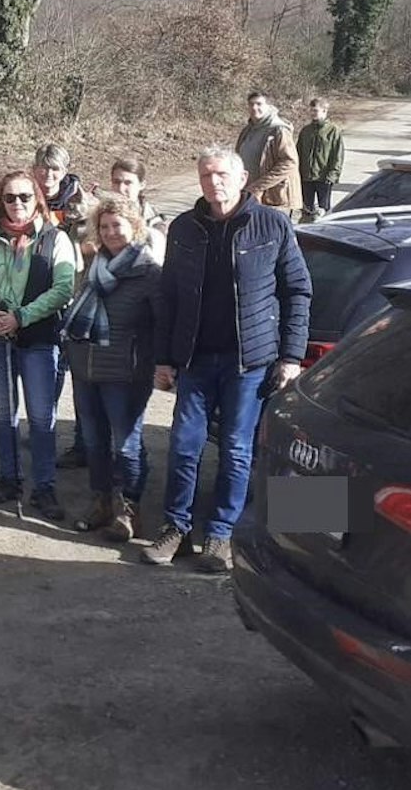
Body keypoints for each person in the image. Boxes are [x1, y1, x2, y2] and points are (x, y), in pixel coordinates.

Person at [146, 147, 311, 574]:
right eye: (205, 175)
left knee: (237, 451)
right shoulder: (184, 228)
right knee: (184, 447)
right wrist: (163, 358)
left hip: (250, 361)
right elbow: (168, 297)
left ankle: (220, 533)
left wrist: (291, 356)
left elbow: (297, 292)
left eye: (221, 174)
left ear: (242, 178)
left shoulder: (271, 224)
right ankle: (176, 530)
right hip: (195, 359)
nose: (213, 182)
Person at [0, 171, 79, 520]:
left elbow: (63, 289)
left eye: (25, 197)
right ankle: (9, 479)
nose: (17, 204)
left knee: (42, 417)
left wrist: (22, 317)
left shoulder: (55, 238)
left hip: (38, 337)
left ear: (37, 200)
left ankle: (44, 487)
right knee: (3, 412)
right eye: (11, 197)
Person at [63, 197, 160, 542]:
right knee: (94, 442)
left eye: (117, 225)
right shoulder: (92, 265)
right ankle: (101, 501)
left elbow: (161, 325)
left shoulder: (148, 272)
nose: (110, 232)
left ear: (134, 227)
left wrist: (158, 366)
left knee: (126, 445)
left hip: (125, 373)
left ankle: (129, 508)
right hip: (86, 368)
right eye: (103, 226)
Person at [34, 143, 95, 473]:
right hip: (38, 295)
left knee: (80, 372)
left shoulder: (80, 204)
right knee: (49, 367)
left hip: (76, 296)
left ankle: (84, 443)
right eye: (42, 169)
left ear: (64, 170)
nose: (48, 176)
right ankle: (46, 427)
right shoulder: (27, 196)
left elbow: (93, 246)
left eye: (54, 170)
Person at [236, 90, 302, 218]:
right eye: (251, 104)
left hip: (274, 197)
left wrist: (258, 186)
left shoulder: (279, 130)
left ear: (268, 107)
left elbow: (289, 163)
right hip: (250, 195)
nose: (254, 108)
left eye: (259, 104)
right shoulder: (247, 130)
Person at [105, 157, 167, 255]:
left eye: (128, 183)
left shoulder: (154, 222)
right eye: (116, 182)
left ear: (142, 185)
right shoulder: (97, 216)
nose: (121, 189)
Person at [295, 98, 344, 221]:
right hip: (306, 176)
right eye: (311, 111)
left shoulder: (333, 131)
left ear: (324, 111)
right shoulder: (305, 131)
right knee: (306, 209)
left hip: (324, 177)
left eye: (316, 111)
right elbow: (298, 152)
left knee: (324, 210)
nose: (313, 113)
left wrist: (333, 174)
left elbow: (337, 155)